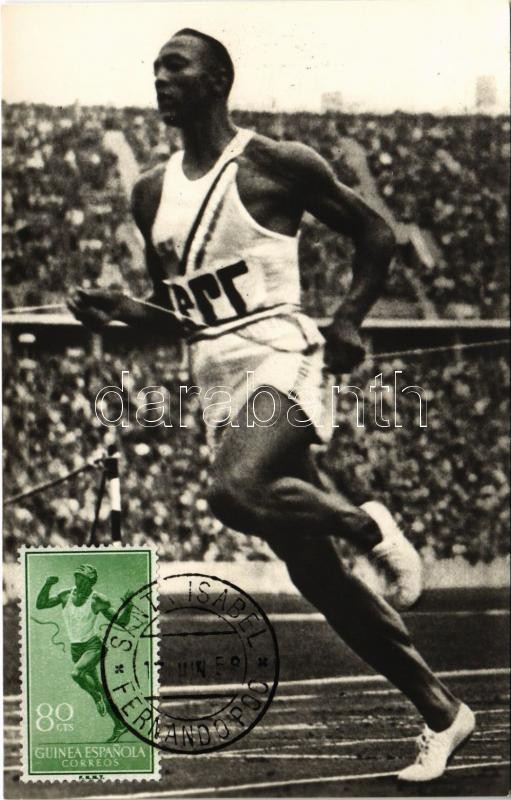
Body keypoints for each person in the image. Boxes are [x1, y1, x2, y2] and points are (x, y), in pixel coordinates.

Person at [68, 29, 475, 780]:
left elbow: (376, 232)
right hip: (215, 378)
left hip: (281, 354)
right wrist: (122, 310)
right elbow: (181, 312)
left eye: (175, 66)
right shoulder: (149, 192)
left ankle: (367, 525)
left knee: (233, 490)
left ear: (217, 79)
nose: (159, 79)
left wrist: (348, 319)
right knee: (316, 578)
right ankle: (443, 713)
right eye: (154, 68)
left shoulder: (274, 163)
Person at [35, 563, 133, 743]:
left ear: (90, 581)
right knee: (100, 687)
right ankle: (119, 725)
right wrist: (47, 584)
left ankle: (96, 697)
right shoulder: (66, 595)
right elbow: (41, 604)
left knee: (77, 673)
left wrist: (129, 605)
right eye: (76, 576)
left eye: (81, 577)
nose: (77, 580)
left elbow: (121, 622)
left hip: (93, 646)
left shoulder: (97, 600)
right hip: (76, 649)